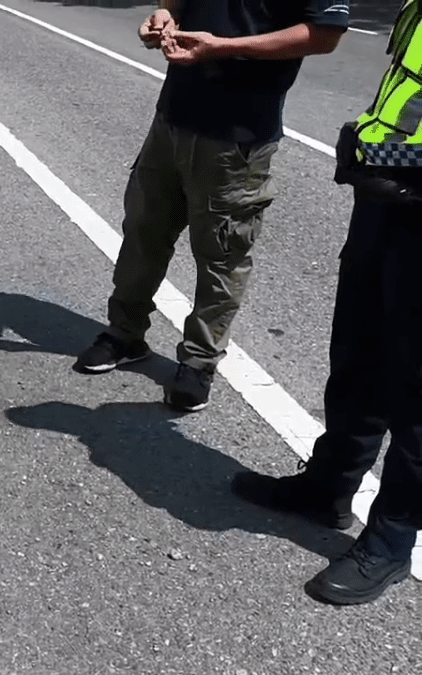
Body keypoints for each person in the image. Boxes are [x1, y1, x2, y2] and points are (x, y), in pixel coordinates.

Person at [232, 0, 422, 606]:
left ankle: (392, 541)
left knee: (415, 389)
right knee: (359, 352)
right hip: (388, 198)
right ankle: (328, 487)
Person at [73, 0, 348, 412]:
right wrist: (165, 16)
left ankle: (198, 362)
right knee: (143, 232)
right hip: (171, 118)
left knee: (222, 256)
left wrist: (221, 46)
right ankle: (124, 333)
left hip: (238, 137)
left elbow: (324, 35)